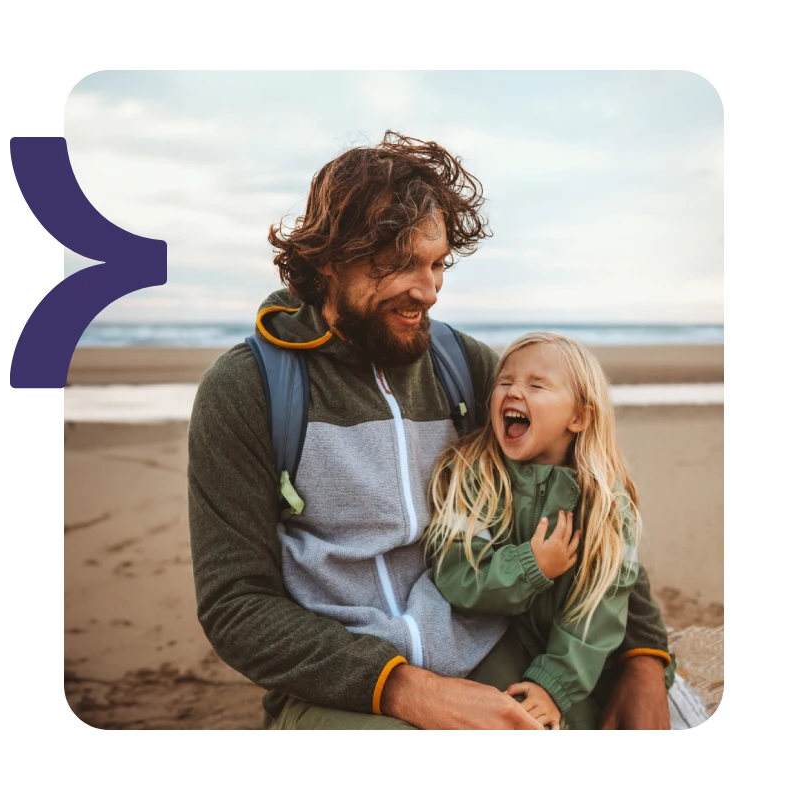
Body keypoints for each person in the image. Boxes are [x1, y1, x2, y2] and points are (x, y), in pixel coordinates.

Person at [187, 131, 675, 731]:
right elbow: (236, 605)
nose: (430, 290)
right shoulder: (248, 391)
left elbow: (590, 494)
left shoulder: (465, 368)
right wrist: (401, 688)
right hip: (342, 677)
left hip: (485, 639)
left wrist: (644, 660)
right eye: (400, 265)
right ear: (328, 260)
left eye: (437, 263)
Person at [424, 331, 652, 731]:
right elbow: (456, 577)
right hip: (491, 653)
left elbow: (600, 612)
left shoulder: (606, 505)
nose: (514, 392)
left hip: (574, 674)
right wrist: (531, 566)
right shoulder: (473, 477)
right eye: (505, 382)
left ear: (579, 416)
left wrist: (554, 686)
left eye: (537, 385)